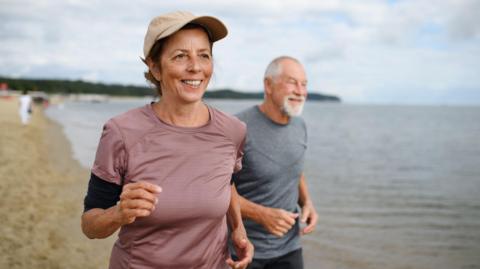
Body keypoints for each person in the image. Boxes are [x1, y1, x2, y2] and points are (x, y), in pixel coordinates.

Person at [81, 11, 253, 269]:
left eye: (204, 55)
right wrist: (119, 214)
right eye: (180, 56)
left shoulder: (233, 130)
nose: (195, 67)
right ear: (154, 67)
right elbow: (90, 225)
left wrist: (238, 229)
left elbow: (225, 184)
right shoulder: (122, 132)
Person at [230, 56, 318, 269]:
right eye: (292, 82)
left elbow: (294, 168)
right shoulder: (237, 128)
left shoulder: (300, 126)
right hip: (244, 250)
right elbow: (217, 188)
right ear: (268, 85)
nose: (300, 90)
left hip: (290, 248)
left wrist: (307, 202)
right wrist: (261, 214)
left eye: (304, 84)